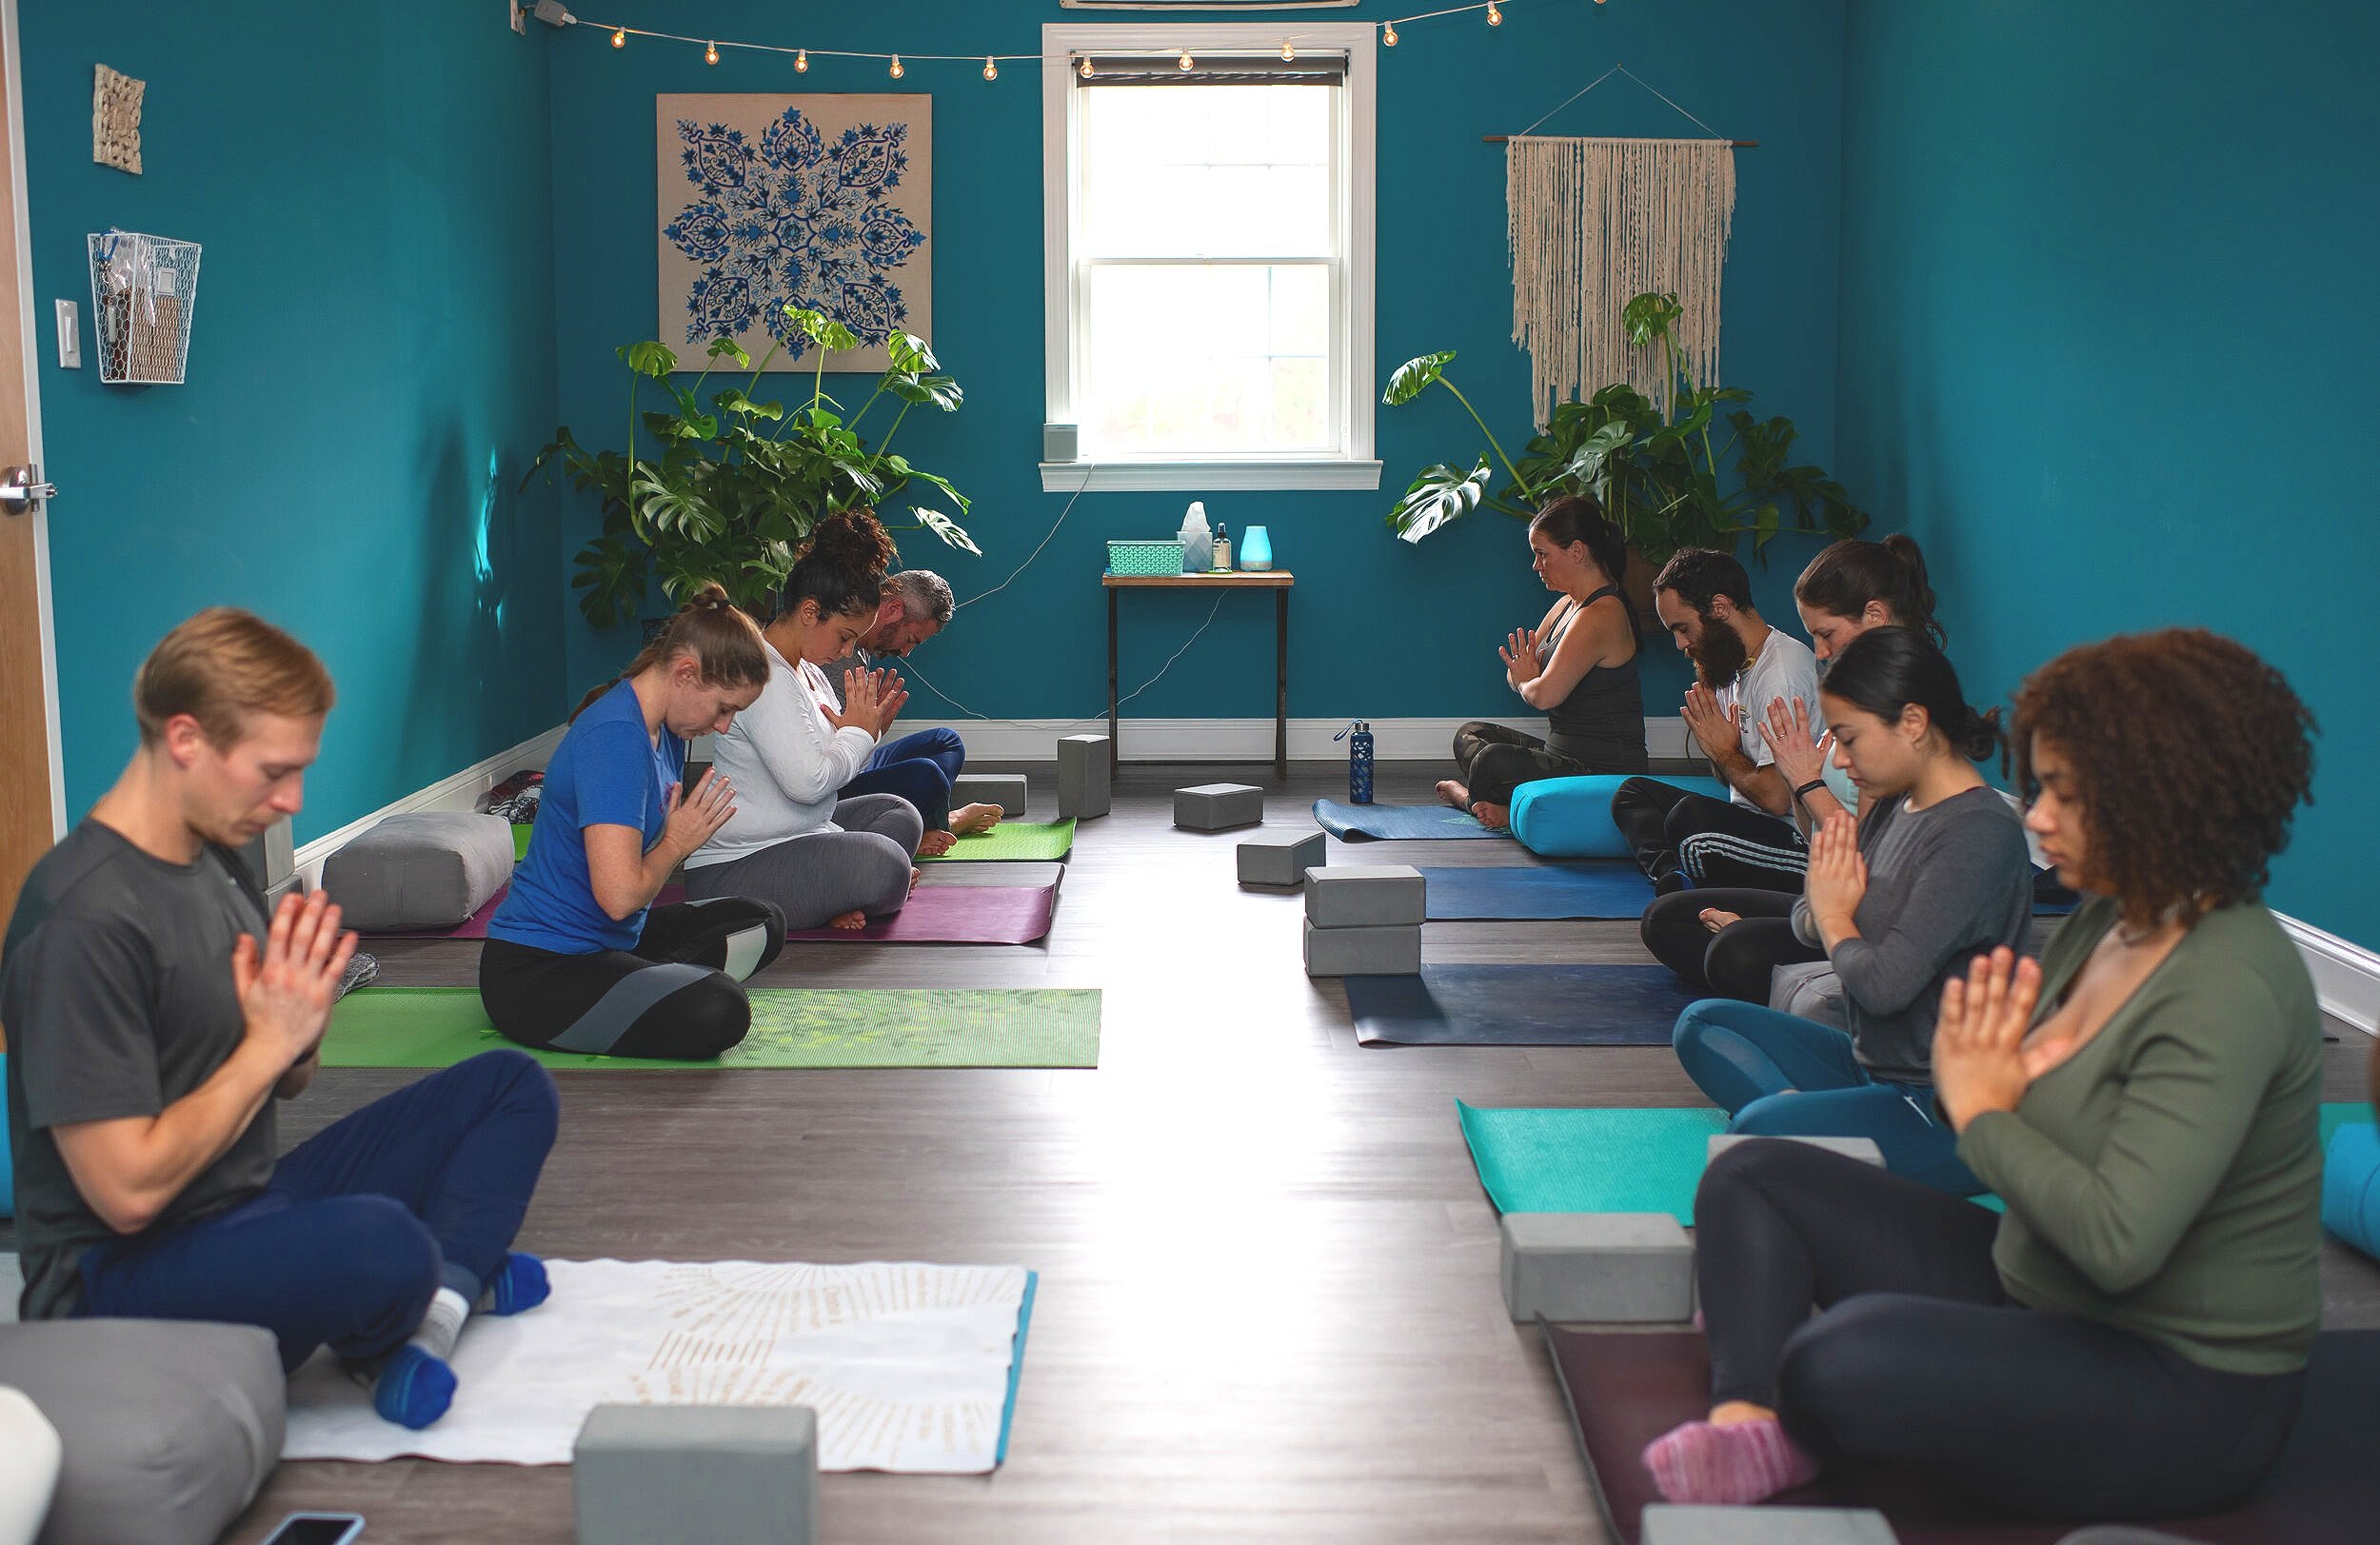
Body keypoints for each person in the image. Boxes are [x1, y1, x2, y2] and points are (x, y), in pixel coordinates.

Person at [1647, 629, 2323, 1521]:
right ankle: (1750, 1429)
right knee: (1748, 1176)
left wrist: (1981, 1106)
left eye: (2067, 798)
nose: (2036, 820)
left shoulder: (2228, 980)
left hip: (2181, 1381)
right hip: (2038, 1284)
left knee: (1835, 1358)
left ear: (2166, 798)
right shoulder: (2104, 926)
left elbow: (2120, 1242)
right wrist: (2002, 1082)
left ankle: (1792, 1395)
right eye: (2038, 789)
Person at [1, 608, 560, 1431]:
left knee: (511, 1086)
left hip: (245, 1203)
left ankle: (429, 1305)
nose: (291, 799)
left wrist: (295, 1027)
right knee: (381, 1243)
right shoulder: (80, 916)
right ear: (185, 739)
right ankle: (447, 1276)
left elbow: (282, 1075)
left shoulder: (212, 859)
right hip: (117, 1279)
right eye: (272, 771)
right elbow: (123, 1193)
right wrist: (266, 1046)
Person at [1668, 627, 2033, 1191]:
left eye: (1847, 738)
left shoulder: (1978, 832)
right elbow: (1805, 921)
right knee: (1703, 1023)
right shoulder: (1895, 803)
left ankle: (1802, 1132)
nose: (1837, 758)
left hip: (1943, 1108)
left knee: (1758, 1129)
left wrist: (1836, 917)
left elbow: (1883, 985)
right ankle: (1811, 1130)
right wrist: (1828, 909)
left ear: (1913, 723)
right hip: (1871, 1068)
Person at [479, 586, 787, 1060]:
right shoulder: (616, 742)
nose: (724, 726)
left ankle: (642, 982)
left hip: (616, 940)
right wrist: (677, 842)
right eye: (724, 707)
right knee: (721, 1009)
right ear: (686, 673)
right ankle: (649, 986)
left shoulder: (665, 728)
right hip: (539, 971)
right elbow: (619, 898)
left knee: (765, 921)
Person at [1640, 535, 1941, 996]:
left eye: (1825, 635)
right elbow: (1812, 831)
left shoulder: (1906, 711)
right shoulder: (1852, 697)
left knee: (1730, 949)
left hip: (1872, 915)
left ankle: (1802, 969)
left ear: (1876, 617)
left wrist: (1803, 781)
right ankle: (1787, 963)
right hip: (1827, 894)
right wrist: (1801, 770)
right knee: (1666, 919)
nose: (1819, 653)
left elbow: (1877, 857)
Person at [685, 511, 935, 931]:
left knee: (900, 813)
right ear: (809, 611)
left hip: (808, 833)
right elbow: (808, 783)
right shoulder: (762, 675)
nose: (847, 651)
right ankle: (830, 890)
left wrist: (866, 733)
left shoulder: (809, 670)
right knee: (886, 867)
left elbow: (830, 765)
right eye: (844, 636)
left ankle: (826, 890)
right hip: (735, 867)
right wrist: (857, 732)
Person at [1610, 548, 1825, 894]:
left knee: (1690, 819)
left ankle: (1694, 878)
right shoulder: (1731, 666)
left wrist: (1724, 752)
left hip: (1799, 844)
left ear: (1720, 608)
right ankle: (1672, 878)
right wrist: (1722, 750)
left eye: (1683, 628)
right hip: (1748, 819)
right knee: (1632, 794)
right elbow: (1738, 778)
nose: (1681, 644)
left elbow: (1777, 800)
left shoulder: (1780, 673)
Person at [1438, 494, 1646, 828]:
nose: (1536, 566)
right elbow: (1521, 672)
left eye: (1542, 554)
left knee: (1493, 760)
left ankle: (1473, 802)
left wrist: (1527, 680)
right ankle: (1503, 807)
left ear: (1577, 551)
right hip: (1561, 758)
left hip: (1603, 775)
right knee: (1471, 735)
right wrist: (1527, 679)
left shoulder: (1602, 614)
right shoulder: (1568, 604)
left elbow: (1543, 694)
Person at [820, 568, 1001, 857]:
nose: (905, 652)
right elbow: (827, 765)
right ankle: (941, 825)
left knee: (946, 741)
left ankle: (926, 824)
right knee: (926, 774)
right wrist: (868, 732)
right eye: (910, 639)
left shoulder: (860, 648)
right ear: (893, 609)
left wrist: (875, 731)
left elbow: (856, 745)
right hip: (831, 784)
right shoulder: (832, 650)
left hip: (855, 763)